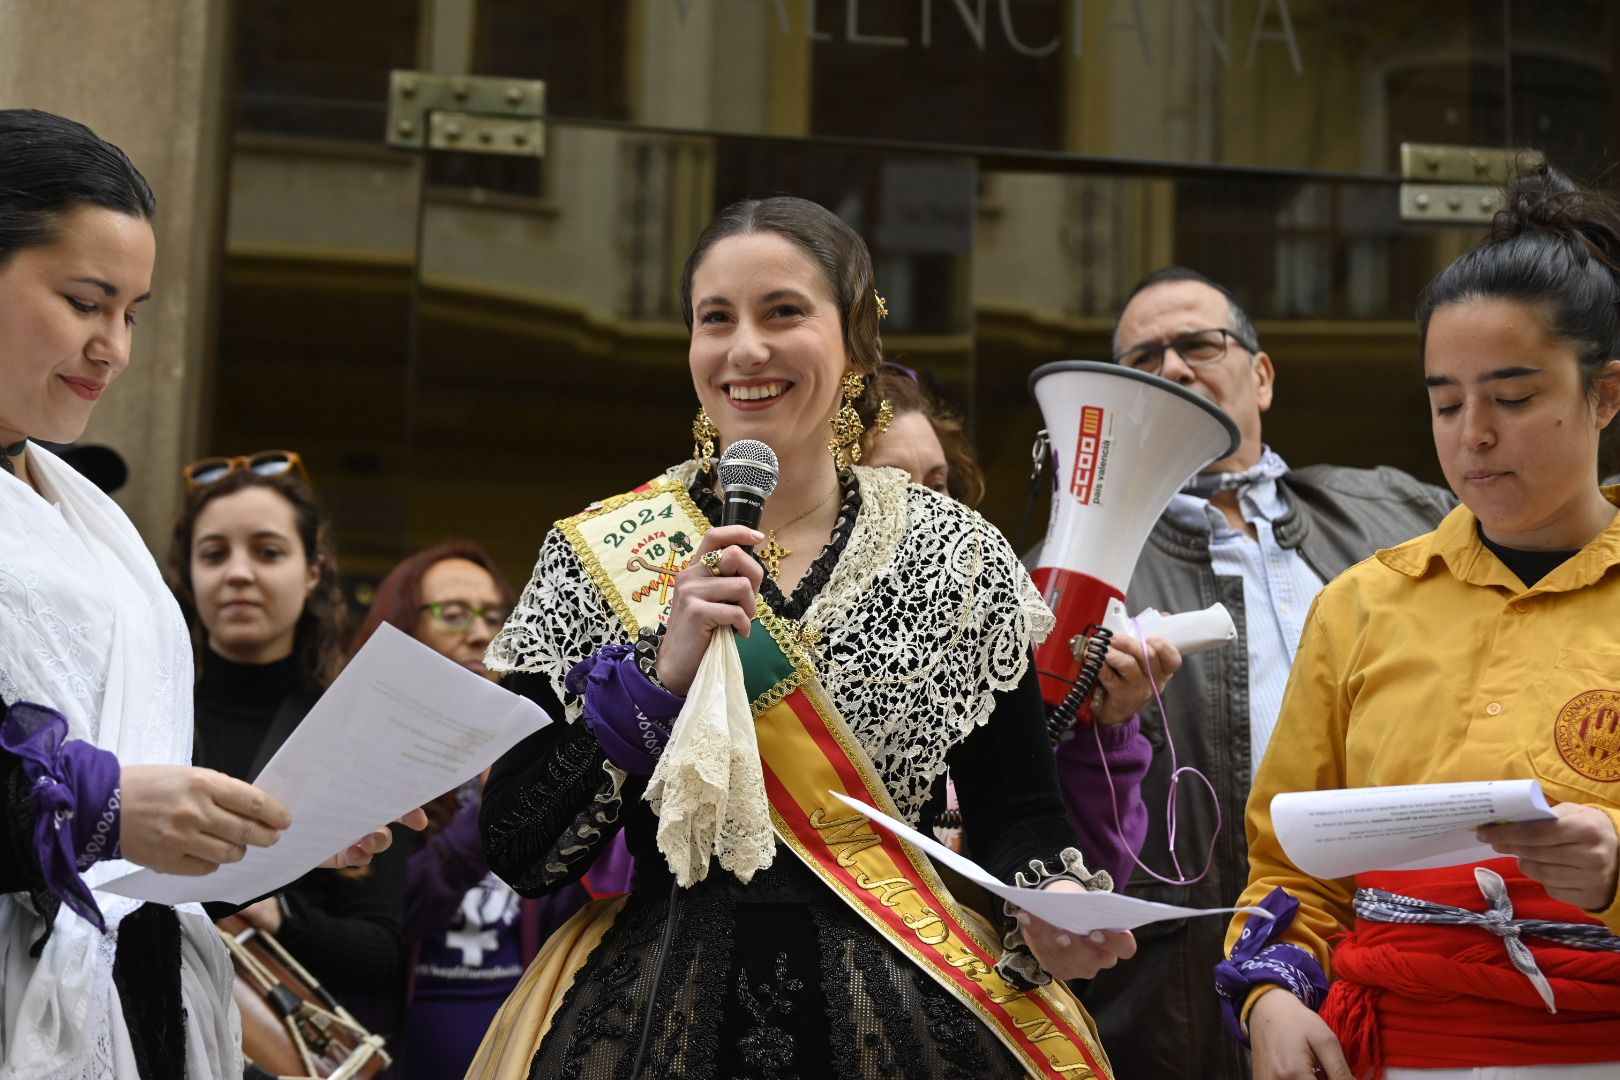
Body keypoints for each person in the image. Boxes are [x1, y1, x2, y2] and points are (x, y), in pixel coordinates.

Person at [468, 195, 1135, 1079]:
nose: (746, 350)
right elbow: (521, 850)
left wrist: (1050, 895)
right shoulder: (597, 555)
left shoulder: (956, 553)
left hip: (904, 1008)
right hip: (655, 1015)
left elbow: (1019, 811)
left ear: (856, 343)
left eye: (783, 312)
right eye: (716, 320)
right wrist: (656, 681)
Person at [0, 108, 396, 1080]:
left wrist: (257, 829)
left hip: (133, 985)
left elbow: (135, 771)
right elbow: (104, 791)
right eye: (87, 301)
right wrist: (102, 808)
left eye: (131, 312)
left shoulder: (86, 514)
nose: (115, 347)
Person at [1223, 166, 1620, 1080]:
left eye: (1513, 399)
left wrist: (1610, 873)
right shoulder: (1361, 605)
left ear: (1604, 396)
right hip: (1403, 1053)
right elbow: (1290, 868)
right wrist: (1270, 994)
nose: (1472, 432)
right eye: (1446, 403)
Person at [1063, 266, 1454, 1080]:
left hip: (1405, 958)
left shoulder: (1399, 514)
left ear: (1262, 375)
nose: (1171, 368)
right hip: (1185, 994)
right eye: (1143, 360)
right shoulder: (1072, 574)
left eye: (1198, 345)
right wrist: (1103, 719)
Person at [350, 540, 631, 1080]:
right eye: (452, 615)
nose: (480, 633)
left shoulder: (544, 757)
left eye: (496, 617)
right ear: (404, 633)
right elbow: (378, 930)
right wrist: (482, 817)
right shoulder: (368, 761)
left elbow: (575, 915)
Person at [168, 455, 412, 1054]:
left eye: (268, 552)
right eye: (214, 553)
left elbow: (382, 953)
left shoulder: (361, 730)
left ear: (313, 572)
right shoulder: (147, 715)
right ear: (188, 574)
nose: (239, 574)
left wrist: (277, 915)